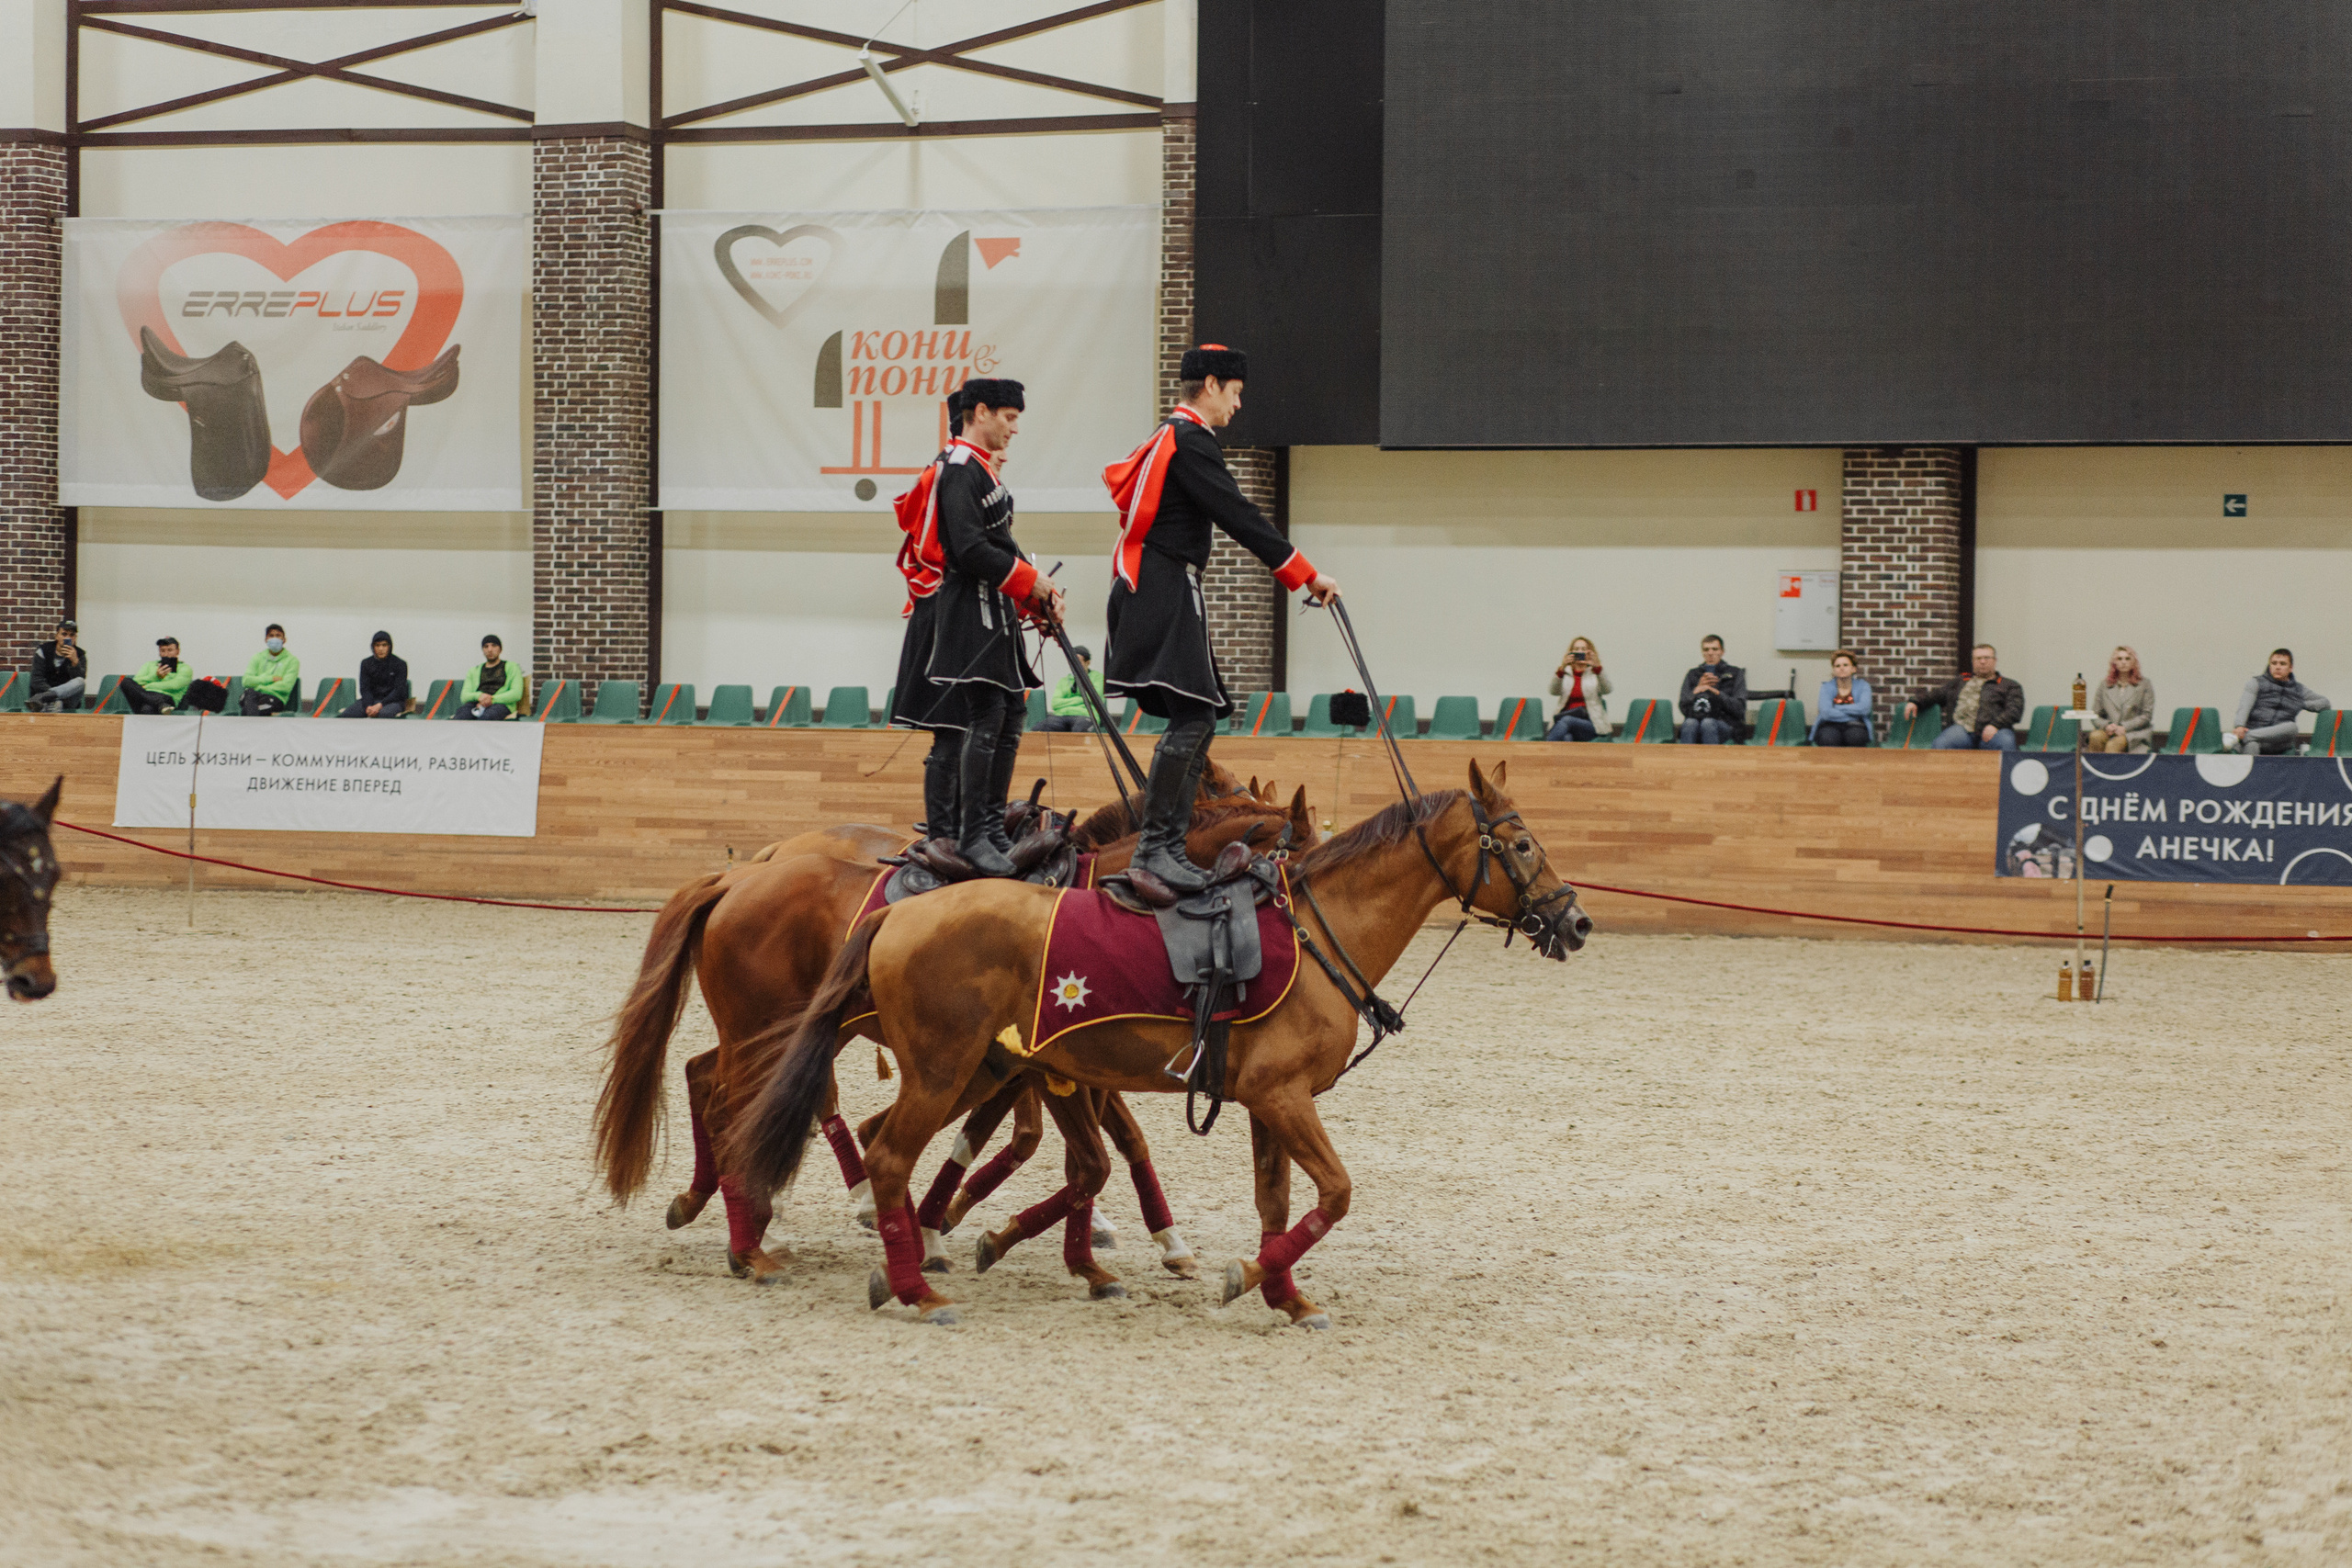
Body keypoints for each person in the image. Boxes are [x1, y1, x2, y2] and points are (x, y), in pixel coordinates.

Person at [1102, 344, 1340, 893]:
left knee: (1201, 717)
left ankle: (1162, 845)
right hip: (1164, 587)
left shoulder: (1174, 438)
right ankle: (1155, 848)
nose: (1237, 407)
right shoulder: (1191, 441)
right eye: (1234, 394)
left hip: (1162, 585)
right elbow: (1239, 512)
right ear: (1210, 385)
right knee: (1195, 718)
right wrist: (1305, 574)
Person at [927, 378, 1062, 876]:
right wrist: (1030, 581)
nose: (1014, 428)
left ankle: (986, 827)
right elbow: (967, 547)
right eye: (1008, 417)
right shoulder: (961, 469)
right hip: (970, 609)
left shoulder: (983, 471)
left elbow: (1001, 543)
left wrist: (1035, 593)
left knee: (1008, 713)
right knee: (987, 715)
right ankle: (970, 835)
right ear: (980, 412)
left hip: (996, 605)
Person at [889, 387, 974, 847]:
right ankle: (945, 832)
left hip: (948, 608)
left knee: (964, 729)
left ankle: (960, 827)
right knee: (952, 729)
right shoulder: (953, 472)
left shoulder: (950, 468)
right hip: (946, 612)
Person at [1909, 643, 2023, 750]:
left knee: (2006, 742)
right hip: (1961, 730)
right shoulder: (1960, 682)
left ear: (1995, 661)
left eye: (1987, 658)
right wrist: (1915, 702)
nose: (1982, 662)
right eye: (1978, 658)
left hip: (1995, 730)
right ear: (1973, 662)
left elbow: (2014, 711)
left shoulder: (2009, 685)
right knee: (1941, 744)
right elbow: (1935, 695)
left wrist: (1995, 725)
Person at [2224, 649, 2327, 756]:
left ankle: (2245, 736)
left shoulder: (2299, 690)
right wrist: (2239, 726)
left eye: (2282, 664)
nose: (2277, 667)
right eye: (2274, 663)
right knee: (2252, 744)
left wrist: (2300, 704)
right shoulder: (2256, 683)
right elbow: (2244, 707)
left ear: (2290, 668)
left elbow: (2325, 703)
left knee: (2292, 727)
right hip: (2256, 735)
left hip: (2279, 741)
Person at [1677, 635, 1747, 745]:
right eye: (1706, 649)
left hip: (1725, 723)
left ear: (1722, 652)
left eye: (1714, 649)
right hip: (1696, 722)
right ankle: (1684, 761)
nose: (1710, 653)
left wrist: (1716, 692)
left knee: (1708, 723)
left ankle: (1710, 761)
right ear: (1702, 652)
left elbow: (1739, 708)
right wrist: (1696, 691)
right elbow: (1683, 708)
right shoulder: (1693, 674)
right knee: (1690, 723)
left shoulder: (1735, 673)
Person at [2088, 645, 2154, 753]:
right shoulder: (2104, 685)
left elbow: (2146, 716)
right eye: (2119, 659)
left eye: (2127, 659)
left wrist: (2124, 727)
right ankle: (2093, 770)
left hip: (2133, 733)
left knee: (2114, 745)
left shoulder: (2144, 685)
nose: (2123, 662)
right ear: (2114, 663)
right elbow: (2095, 715)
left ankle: (2109, 770)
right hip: (2108, 730)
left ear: (2134, 662)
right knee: (2095, 737)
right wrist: (2107, 726)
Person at [1544, 637, 1610, 741]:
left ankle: (1544, 750)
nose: (1580, 652)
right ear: (1571, 653)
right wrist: (1561, 669)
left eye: (1583, 649)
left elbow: (1607, 690)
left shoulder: (1594, 672)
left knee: (1567, 720)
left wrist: (1597, 668)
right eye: (1576, 649)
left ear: (1590, 652)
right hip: (1566, 722)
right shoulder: (1566, 673)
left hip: (1590, 723)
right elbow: (1553, 691)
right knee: (1567, 738)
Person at [340, 630, 409, 718]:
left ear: (389, 647)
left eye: (384, 645)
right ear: (373, 647)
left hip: (393, 702)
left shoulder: (400, 664)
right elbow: (365, 689)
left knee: (384, 714)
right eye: (377, 645)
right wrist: (369, 706)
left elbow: (399, 691)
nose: (381, 649)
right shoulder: (366, 663)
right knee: (348, 714)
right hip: (371, 701)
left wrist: (380, 705)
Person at [452, 635, 523, 720]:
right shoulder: (474, 670)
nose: (490, 650)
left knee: (486, 717)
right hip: (477, 703)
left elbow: (516, 694)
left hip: (501, 704)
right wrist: (479, 696)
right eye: (486, 646)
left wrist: (492, 700)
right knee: (461, 716)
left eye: (494, 645)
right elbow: (464, 696)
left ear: (500, 649)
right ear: (483, 650)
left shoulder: (512, 667)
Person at [119, 636, 196, 716]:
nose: (166, 654)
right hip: (145, 700)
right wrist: (156, 676)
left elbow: (174, 685)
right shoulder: (149, 665)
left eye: (170, 650)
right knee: (125, 682)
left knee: (147, 709)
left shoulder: (185, 668)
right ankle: (160, 704)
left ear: (177, 651)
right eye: (162, 651)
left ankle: (159, 704)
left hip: (166, 698)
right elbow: (136, 682)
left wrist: (147, 686)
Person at [1811, 650, 1872, 746]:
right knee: (1828, 738)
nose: (1841, 668)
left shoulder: (1863, 686)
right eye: (1837, 666)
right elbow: (1826, 713)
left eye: (1845, 665)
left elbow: (1864, 709)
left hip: (1856, 725)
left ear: (1854, 669)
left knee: (1856, 737)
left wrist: (1837, 707)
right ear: (1834, 670)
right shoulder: (1826, 687)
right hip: (1829, 725)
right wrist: (1854, 714)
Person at [28, 619, 89, 713]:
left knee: (80, 681)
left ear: (75, 638)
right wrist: (54, 698)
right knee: (53, 703)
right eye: (64, 634)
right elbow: (36, 680)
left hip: (67, 701)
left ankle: (51, 698)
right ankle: (52, 699)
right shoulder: (43, 651)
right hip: (42, 700)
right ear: (57, 636)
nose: (68, 638)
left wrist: (75, 662)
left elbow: (78, 684)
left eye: (72, 635)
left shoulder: (80, 655)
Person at [1037, 646, 1102, 732]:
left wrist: (1067, 701)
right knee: (1039, 728)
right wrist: (1081, 699)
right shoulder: (1064, 680)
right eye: (1071, 661)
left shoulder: (1098, 678)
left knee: (1080, 729)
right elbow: (1055, 703)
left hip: (1085, 715)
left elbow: (1093, 698)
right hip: (1061, 715)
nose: (1074, 664)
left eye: (1078, 661)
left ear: (1088, 662)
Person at [240, 623, 300, 716]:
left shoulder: (292, 661)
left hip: (275, 698)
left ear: (284, 640)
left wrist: (259, 687)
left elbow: (286, 687)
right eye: (271, 636)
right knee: (249, 697)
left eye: (278, 635)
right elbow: (246, 681)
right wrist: (270, 679)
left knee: (250, 708)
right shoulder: (257, 657)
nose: (274, 638)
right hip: (253, 695)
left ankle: (249, 728)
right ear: (266, 640)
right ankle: (253, 727)